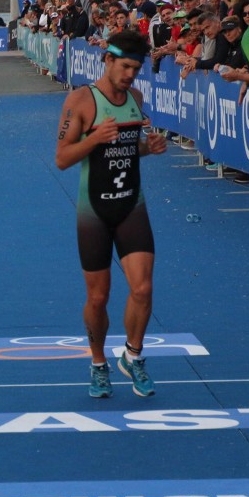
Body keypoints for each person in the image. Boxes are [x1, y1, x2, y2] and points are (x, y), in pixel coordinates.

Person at [54, 29, 168, 399]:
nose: (131, 76)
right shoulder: (81, 101)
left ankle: (133, 355)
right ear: (108, 60)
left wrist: (150, 148)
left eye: (136, 69)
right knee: (99, 298)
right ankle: (98, 362)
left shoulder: (135, 97)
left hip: (131, 204)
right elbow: (62, 158)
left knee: (143, 287)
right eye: (125, 67)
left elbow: (131, 149)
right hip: (95, 212)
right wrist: (93, 139)